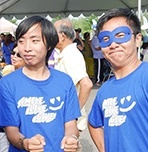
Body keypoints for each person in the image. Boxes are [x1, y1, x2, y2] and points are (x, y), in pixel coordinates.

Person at [0, 15, 81, 152]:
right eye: (21, 41)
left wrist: (72, 138)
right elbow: (11, 130)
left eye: (34, 41)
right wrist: (25, 143)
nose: (26, 48)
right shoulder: (7, 84)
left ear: (49, 44)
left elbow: (70, 124)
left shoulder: (64, 81)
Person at [88, 8, 148, 152]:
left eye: (121, 35)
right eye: (106, 39)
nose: (113, 44)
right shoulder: (104, 90)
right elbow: (94, 123)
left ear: (137, 39)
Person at [53, 19, 93, 132]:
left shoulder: (70, 55)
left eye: (53, 33)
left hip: (70, 122)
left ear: (62, 36)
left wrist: (73, 113)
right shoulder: (65, 54)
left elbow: (87, 84)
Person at [0, 43, 26, 152]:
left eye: (18, 55)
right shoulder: (6, 72)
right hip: (4, 130)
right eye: (13, 53)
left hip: (23, 131)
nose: (14, 56)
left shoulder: (32, 81)